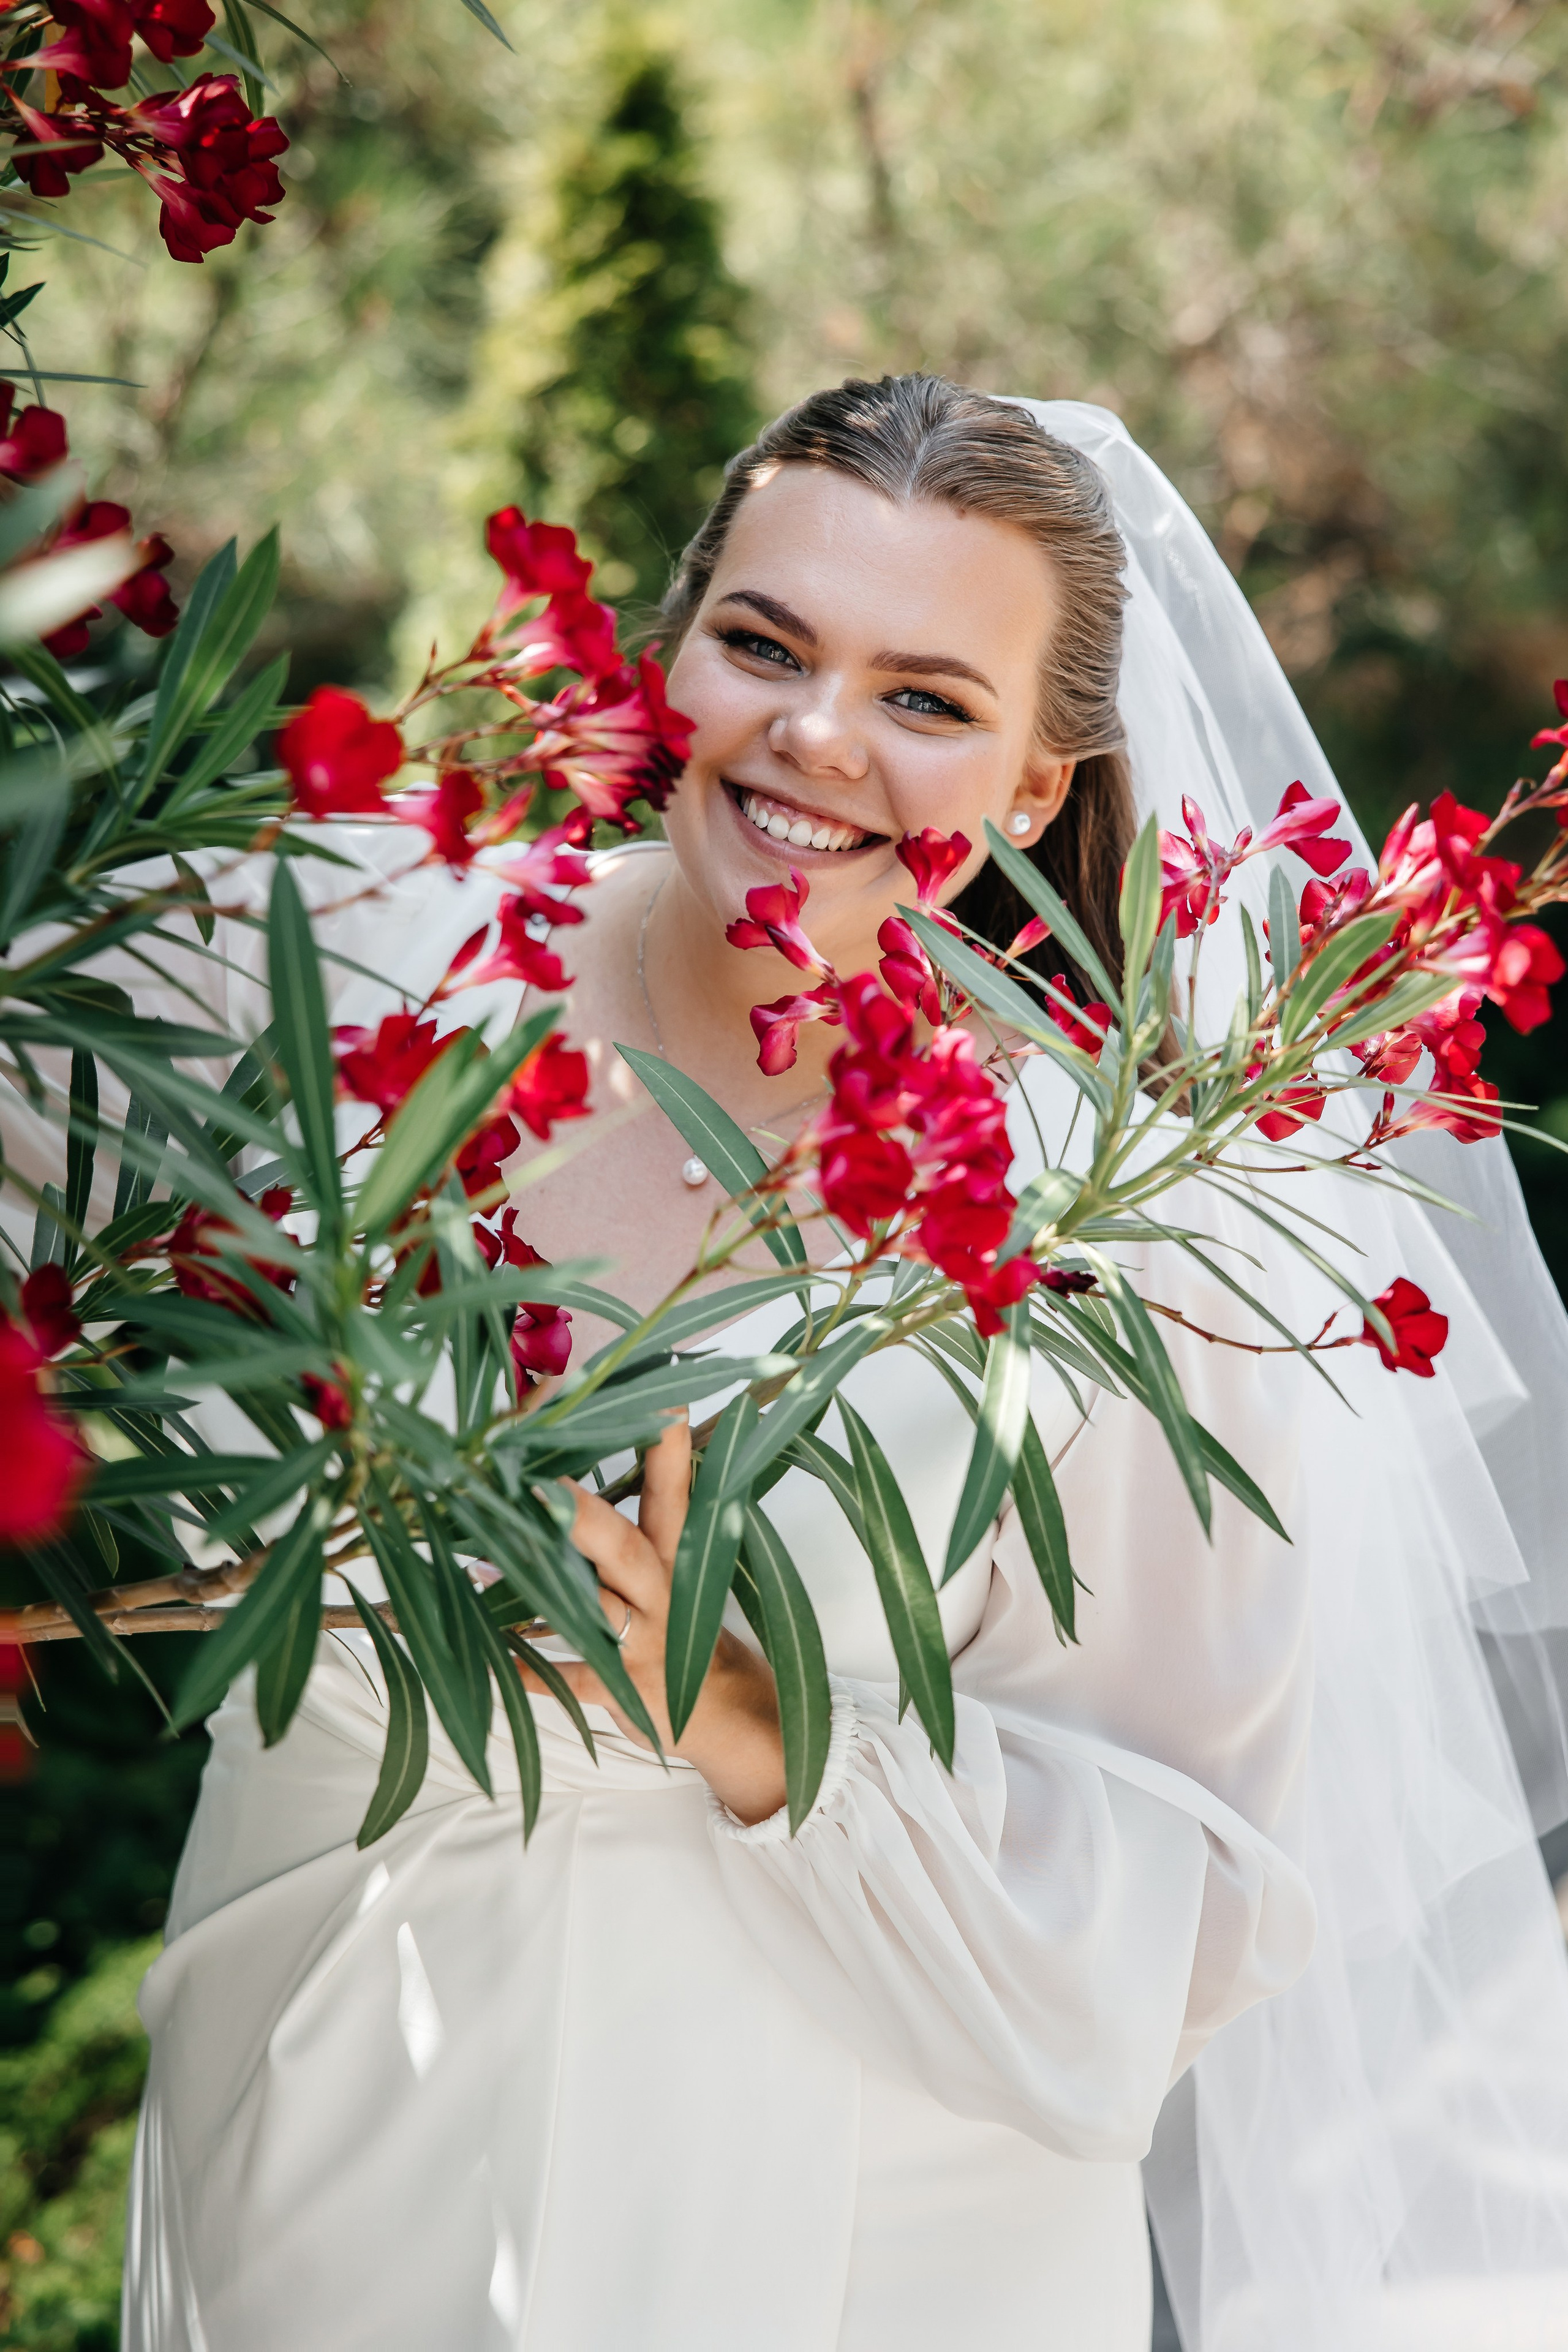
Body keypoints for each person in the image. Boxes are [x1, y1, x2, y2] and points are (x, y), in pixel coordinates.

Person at [123, 379, 1568, 2351]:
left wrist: (753, 1719)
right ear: (671, 643)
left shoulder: (1105, 1229)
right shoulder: (338, 949)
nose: (815, 741)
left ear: (1041, 788)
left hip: (861, 2226)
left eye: (928, 700)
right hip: (331, 2129)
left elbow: (1196, 1898)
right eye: (765, 646)